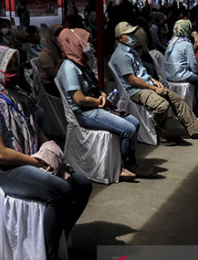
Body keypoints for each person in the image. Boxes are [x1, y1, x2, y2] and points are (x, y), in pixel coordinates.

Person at [0, 45, 92, 260]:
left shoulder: (13, 94)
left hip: (29, 157)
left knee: (82, 184)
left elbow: (35, 130)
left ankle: (57, 236)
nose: (15, 71)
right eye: (8, 67)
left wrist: (50, 153)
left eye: (16, 65)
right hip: (7, 169)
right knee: (61, 190)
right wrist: (36, 161)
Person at [56, 28, 153, 180]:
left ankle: (125, 160)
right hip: (85, 113)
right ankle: (126, 165)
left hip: (94, 106)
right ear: (75, 43)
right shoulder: (68, 68)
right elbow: (79, 99)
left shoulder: (81, 63)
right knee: (128, 129)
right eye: (85, 42)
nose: (89, 45)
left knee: (134, 122)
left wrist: (101, 95)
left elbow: (93, 86)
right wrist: (99, 101)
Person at [110, 21, 198, 145]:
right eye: (129, 34)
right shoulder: (121, 55)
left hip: (146, 84)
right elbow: (132, 80)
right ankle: (158, 131)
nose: (133, 36)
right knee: (162, 105)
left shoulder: (131, 51)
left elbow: (141, 73)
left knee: (177, 100)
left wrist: (153, 81)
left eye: (133, 33)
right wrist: (153, 88)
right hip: (137, 90)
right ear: (120, 38)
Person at [36, 23, 64, 97]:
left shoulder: (61, 50)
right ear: (51, 36)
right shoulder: (45, 54)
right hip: (51, 86)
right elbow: (52, 74)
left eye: (61, 33)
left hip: (61, 82)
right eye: (56, 34)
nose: (59, 36)